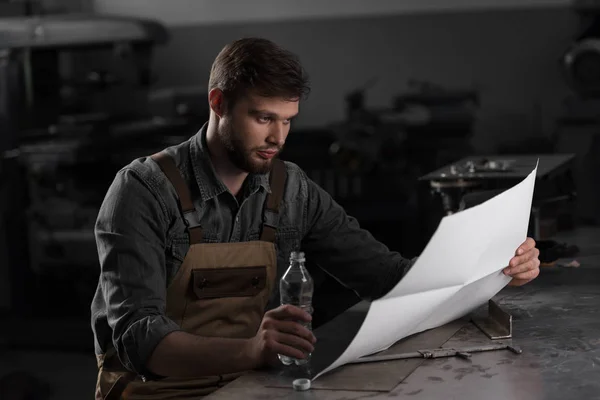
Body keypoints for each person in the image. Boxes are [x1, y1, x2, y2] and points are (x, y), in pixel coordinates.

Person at [91, 37, 541, 399]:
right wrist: (250, 350)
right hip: (157, 392)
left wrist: (496, 268)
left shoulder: (292, 190)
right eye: (263, 118)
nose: (277, 138)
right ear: (218, 103)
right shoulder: (142, 191)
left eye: (288, 121)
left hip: (249, 388)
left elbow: (388, 277)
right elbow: (139, 340)